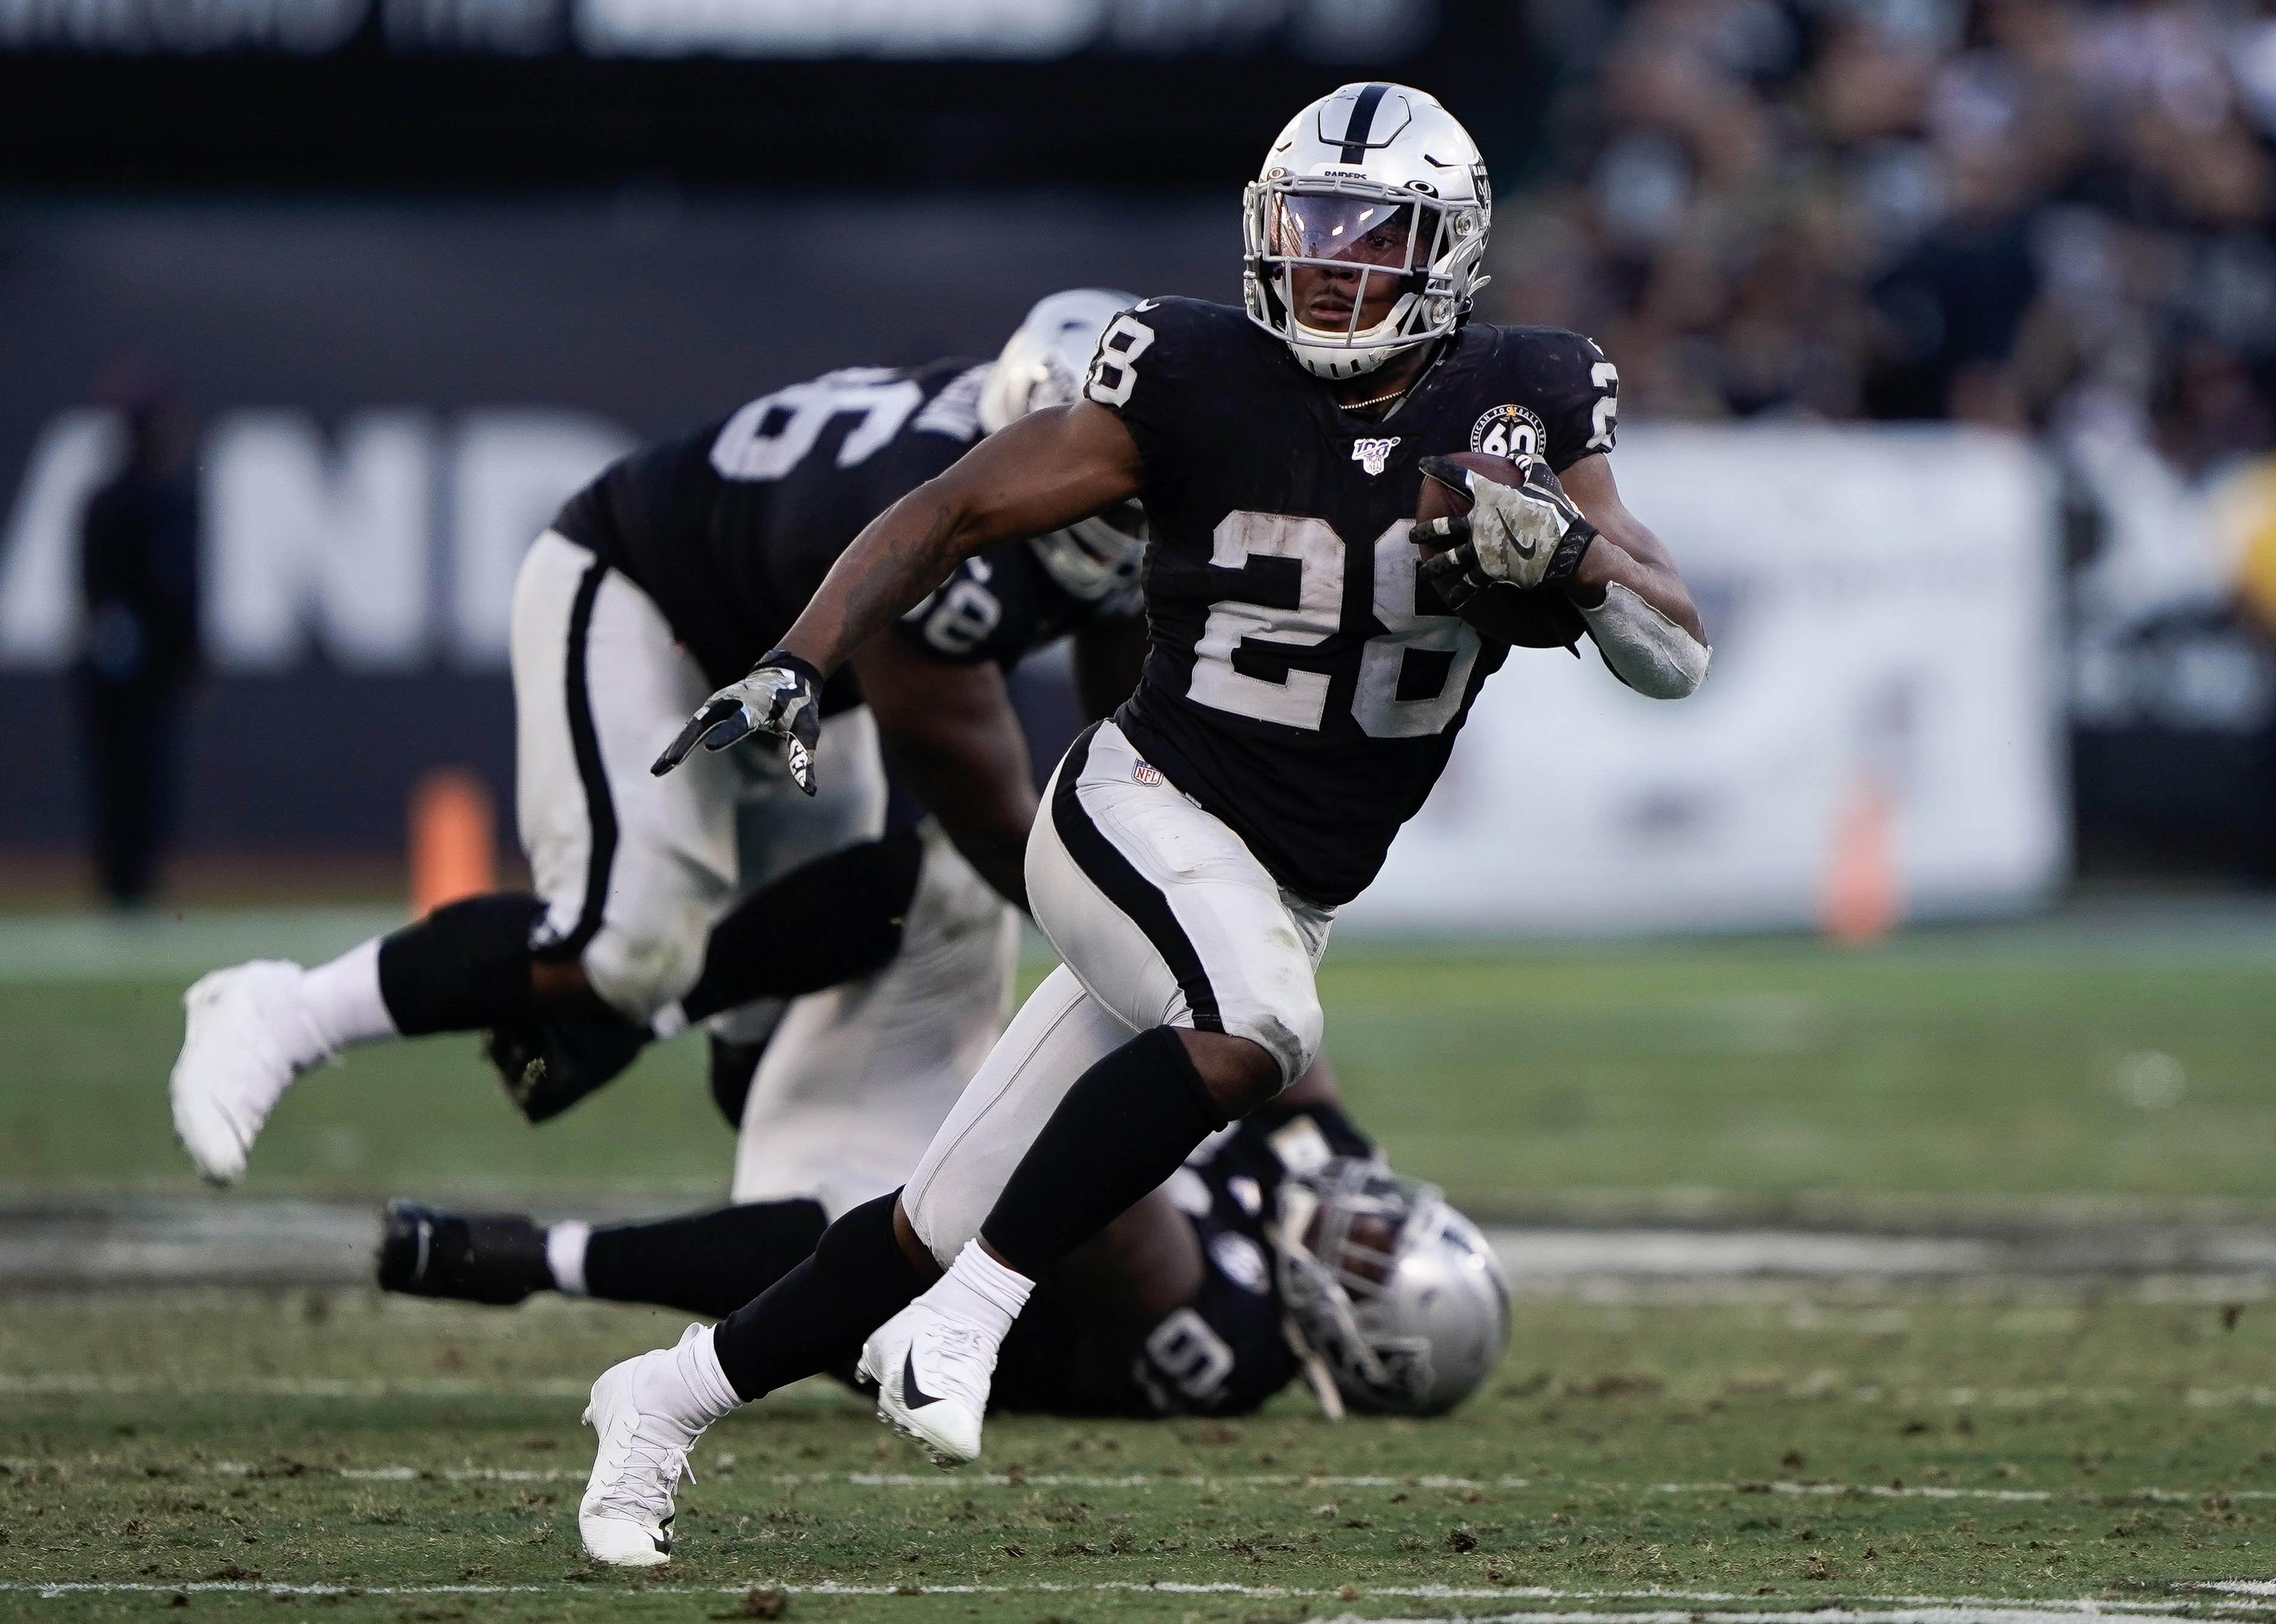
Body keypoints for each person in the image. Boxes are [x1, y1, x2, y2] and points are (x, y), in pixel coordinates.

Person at [575, 82, 1708, 1567]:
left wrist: (1562, 560)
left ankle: (659, 1405)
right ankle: (967, 1327)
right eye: (1306, 228)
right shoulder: (1192, 371)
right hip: (1139, 808)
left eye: (1370, 236)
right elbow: (952, 509)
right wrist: (801, 657)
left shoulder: (1527, 393)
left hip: (1281, 877)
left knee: (922, 1213)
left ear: (1449, 252)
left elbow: (1672, 651)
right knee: (1259, 1023)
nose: (1328, 264)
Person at [165, 290, 1149, 1184]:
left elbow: (1122, 732)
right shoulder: (930, 515)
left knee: (817, 965)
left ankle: (786, 1216)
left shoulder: (1080, 493)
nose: (1107, 502)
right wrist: (1153, 947)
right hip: (648, 604)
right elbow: (984, 804)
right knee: (623, 947)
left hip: (805, 688)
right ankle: (283, 1010)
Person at [378, 1051, 1507, 1423]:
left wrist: (1147, 1070)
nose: (1365, 1218)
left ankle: (538, 1258)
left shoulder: (1238, 1342)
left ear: (1362, 1344)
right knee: (915, 892)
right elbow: (1284, 1038)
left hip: (898, 1291)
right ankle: (635, 1019)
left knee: (840, 1230)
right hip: (938, 1136)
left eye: (1371, 1256)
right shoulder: (1317, 1184)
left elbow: (1118, 1224)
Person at [76, 384, 200, 909]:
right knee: (125, 771)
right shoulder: (124, 502)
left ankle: (133, 871)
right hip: (123, 667)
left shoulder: (153, 500)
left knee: (144, 773)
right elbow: (97, 589)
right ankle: (123, 873)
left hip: (145, 667)